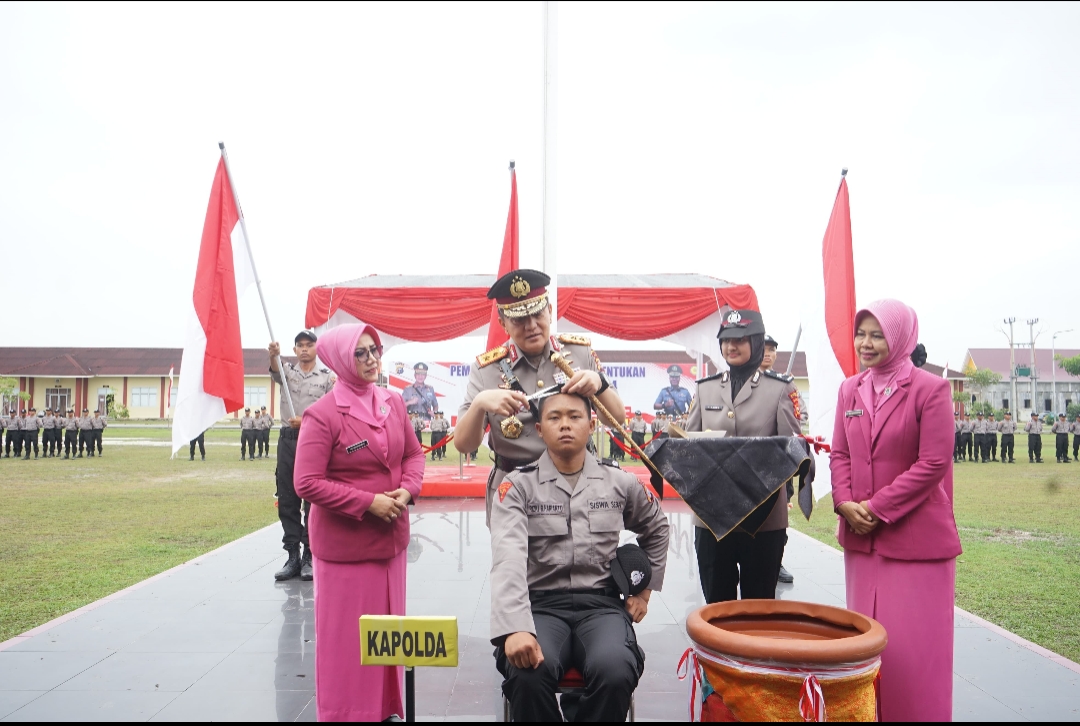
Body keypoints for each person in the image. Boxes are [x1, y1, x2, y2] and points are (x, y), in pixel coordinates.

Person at [490, 391, 668, 722]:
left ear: (591, 424)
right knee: (528, 675)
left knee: (615, 671)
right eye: (555, 418)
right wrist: (514, 627)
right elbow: (508, 558)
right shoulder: (517, 487)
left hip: (601, 605)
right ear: (540, 429)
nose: (565, 425)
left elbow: (657, 528)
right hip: (539, 606)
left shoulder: (620, 481)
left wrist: (644, 592)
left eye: (575, 416)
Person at [830, 299, 960, 722]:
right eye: (861, 334)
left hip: (914, 542)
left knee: (912, 655)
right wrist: (845, 503)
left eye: (877, 335)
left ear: (901, 337)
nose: (865, 344)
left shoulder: (930, 389)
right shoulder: (849, 388)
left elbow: (934, 463)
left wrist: (875, 507)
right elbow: (840, 454)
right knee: (863, 649)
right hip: (862, 543)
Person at [293, 322, 425, 722]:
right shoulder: (323, 414)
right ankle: (347, 714)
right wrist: (367, 503)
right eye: (361, 353)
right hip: (347, 550)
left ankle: (384, 709)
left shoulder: (393, 402)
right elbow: (306, 482)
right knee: (348, 645)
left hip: (391, 543)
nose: (372, 360)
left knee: (388, 636)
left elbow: (413, 456)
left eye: (376, 350)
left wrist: (407, 489)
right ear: (338, 360)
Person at [456, 269, 623, 524]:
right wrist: (480, 405)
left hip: (577, 485)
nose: (532, 326)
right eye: (519, 320)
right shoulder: (486, 369)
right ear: (503, 323)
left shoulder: (579, 354)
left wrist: (600, 384)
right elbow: (464, 445)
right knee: (515, 563)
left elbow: (616, 420)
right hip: (515, 491)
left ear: (550, 310)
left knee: (585, 561)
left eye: (537, 314)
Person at [686, 310, 802, 603]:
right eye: (725, 340)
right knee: (716, 605)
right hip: (712, 520)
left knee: (759, 607)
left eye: (739, 339)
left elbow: (794, 448)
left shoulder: (780, 388)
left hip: (763, 519)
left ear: (756, 341)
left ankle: (755, 652)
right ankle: (715, 653)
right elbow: (689, 448)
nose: (731, 347)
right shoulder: (705, 388)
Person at [269, 329, 335, 582]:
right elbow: (275, 369)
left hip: (314, 441)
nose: (304, 349)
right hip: (288, 441)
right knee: (287, 498)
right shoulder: (287, 373)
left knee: (313, 501)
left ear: (316, 348)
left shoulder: (328, 379)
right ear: (294, 350)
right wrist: (274, 355)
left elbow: (331, 412)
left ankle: (309, 555)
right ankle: (292, 556)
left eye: (309, 344)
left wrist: (307, 420)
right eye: (300, 345)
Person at [758, 333, 796, 586]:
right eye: (765, 349)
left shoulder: (784, 385)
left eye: (773, 350)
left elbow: (793, 425)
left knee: (778, 517)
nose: (769, 354)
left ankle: (777, 560)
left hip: (777, 465)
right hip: (750, 464)